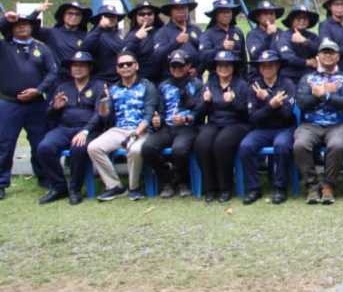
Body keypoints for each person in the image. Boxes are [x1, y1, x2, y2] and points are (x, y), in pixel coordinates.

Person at [0, 12, 59, 200]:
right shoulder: (3, 46)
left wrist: (38, 89)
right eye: (17, 25)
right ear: (11, 29)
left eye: (25, 24)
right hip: (9, 103)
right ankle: (1, 183)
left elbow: (53, 72)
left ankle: (43, 177)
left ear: (32, 27)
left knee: (39, 142)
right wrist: (5, 20)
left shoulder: (42, 48)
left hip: (36, 104)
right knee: (5, 144)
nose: (21, 27)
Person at [86, 51, 159, 201]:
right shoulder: (113, 89)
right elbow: (105, 116)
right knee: (93, 147)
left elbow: (149, 113)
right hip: (118, 129)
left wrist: (136, 133)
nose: (125, 67)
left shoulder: (147, 86)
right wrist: (104, 101)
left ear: (136, 66)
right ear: (117, 69)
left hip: (142, 129)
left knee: (135, 149)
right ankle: (114, 186)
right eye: (121, 65)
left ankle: (134, 187)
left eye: (129, 64)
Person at [36, 51, 105, 205]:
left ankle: (75, 189)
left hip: (89, 129)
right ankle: (59, 186)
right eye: (74, 65)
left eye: (82, 65)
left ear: (90, 68)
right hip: (65, 128)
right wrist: (55, 107)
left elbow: (101, 112)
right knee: (44, 147)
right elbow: (50, 115)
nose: (78, 68)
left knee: (78, 148)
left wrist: (86, 130)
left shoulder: (99, 85)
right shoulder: (63, 87)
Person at [294, 38, 343, 205]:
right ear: (318, 56)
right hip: (310, 124)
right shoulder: (308, 78)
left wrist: (325, 95)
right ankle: (312, 186)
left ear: (338, 57)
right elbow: (302, 103)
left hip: (338, 124)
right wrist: (316, 96)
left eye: (332, 52)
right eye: (324, 52)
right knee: (300, 144)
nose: (328, 55)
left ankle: (329, 185)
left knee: (337, 145)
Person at [141, 50, 203, 199]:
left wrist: (187, 118)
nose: (177, 69)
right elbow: (160, 110)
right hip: (167, 127)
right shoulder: (163, 86)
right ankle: (168, 178)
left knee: (179, 150)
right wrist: (158, 120)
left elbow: (201, 110)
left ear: (188, 66)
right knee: (148, 148)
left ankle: (183, 181)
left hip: (187, 127)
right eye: (173, 66)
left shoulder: (197, 84)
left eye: (181, 66)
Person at [240, 49, 296, 205]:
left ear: (277, 66)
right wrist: (271, 105)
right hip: (262, 129)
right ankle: (253, 188)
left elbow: (287, 114)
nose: (266, 69)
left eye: (270, 65)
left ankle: (280, 187)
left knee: (282, 145)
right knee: (246, 146)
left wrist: (267, 99)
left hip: (284, 128)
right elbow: (253, 118)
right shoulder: (255, 86)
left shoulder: (287, 84)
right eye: (263, 66)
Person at [194, 50, 251, 203]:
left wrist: (234, 101)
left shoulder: (242, 85)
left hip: (237, 124)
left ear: (233, 67)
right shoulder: (209, 85)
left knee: (221, 143)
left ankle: (225, 187)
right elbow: (198, 115)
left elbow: (248, 113)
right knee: (202, 143)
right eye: (220, 65)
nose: (223, 68)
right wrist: (205, 102)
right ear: (215, 67)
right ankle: (210, 188)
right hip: (214, 123)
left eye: (227, 65)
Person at [23, 0, 91, 73]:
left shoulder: (87, 36)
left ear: (82, 18)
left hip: (79, 79)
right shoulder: (51, 33)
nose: (73, 17)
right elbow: (28, 29)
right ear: (63, 15)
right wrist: (36, 11)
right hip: (57, 79)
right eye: (70, 13)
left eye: (77, 14)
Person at [147, 0, 202, 83]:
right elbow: (157, 57)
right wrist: (176, 42)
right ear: (170, 12)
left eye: (183, 8)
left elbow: (204, 53)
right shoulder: (162, 32)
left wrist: (198, 69)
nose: (181, 11)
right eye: (177, 9)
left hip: (194, 80)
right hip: (170, 81)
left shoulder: (196, 30)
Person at [276, 4, 319, 85]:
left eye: (305, 18)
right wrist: (307, 62)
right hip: (290, 76)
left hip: (310, 75)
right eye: (298, 18)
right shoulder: (284, 36)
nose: (302, 21)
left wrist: (305, 42)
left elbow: (321, 50)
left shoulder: (312, 36)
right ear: (292, 20)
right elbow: (288, 57)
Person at [82, 4, 128, 82]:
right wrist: (100, 27)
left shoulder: (118, 35)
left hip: (119, 80)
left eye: (113, 16)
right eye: (107, 16)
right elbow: (84, 48)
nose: (111, 19)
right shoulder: (95, 34)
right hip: (102, 81)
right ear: (100, 18)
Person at [199, 0, 245, 70]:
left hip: (237, 77)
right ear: (215, 15)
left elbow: (243, 58)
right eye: (222, 12)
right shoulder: (208, 34)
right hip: (216, 76)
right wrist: (221, 48)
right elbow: (203, 57)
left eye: (228, 12)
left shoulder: (238, 32)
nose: (226, 15)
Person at [245, 0, 285, 74]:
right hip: (259, 73)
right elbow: (255, 55)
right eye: (265, 14)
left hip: (279, 73)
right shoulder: (252, 34)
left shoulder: (281, 32)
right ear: (258, 17)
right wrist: (269, 36)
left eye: (272, 13)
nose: (269, 16)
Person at [122, 0, 163, 72]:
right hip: (141, 78)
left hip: (163, 77)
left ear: (154, 16)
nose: (146, 16)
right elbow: (124, 55)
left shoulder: (163, 31)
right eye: (141, 14)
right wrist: (136, 39)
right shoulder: (131, 35)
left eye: (149, 13)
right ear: (136, 17)